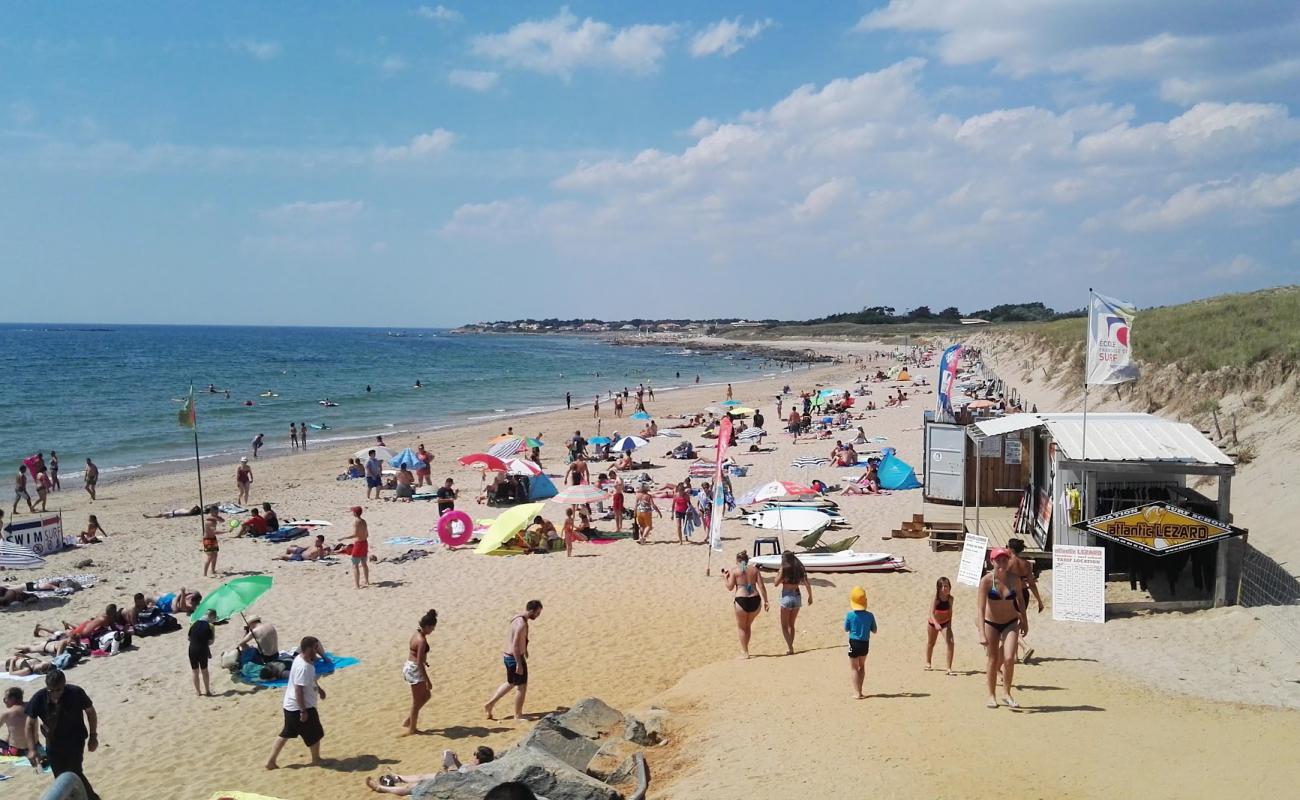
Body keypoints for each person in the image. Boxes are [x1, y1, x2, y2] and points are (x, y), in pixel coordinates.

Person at [25, 669, 100, 799]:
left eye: (58, 689)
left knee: (74, 772)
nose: (55, 693)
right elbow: (29, 724)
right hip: (53, 744)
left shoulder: (75, 693)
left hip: (75, 740)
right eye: (51, 690)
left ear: (64, 685)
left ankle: (92, 798)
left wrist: (93, 736)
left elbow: (90, 712)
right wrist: (32, 749)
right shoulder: (39, 697)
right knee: (60, 778)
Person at [266, 636, 327, 769]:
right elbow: (298, 690)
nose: (318, 650)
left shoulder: (301, 658)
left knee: (286, 733)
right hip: (299, 707)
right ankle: (316, 759)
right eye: (316, 647)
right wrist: (303, 711)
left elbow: (310, 680)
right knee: (315, 733)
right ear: (309, 648)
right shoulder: (303, 667)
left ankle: (271, 761)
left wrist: (319, 689)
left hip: (290, 706)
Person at [978, 548, 1026, 709]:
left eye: (1004, 560)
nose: (1002, 563)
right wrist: (981, 633)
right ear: (992, 561)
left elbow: (1020, 600)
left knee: (1009, 658)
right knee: (992, 659)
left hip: (1010, 622)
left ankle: (1007, 694)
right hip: (991, 623)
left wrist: (1025, 620)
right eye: (998, 560)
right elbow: (980, 608)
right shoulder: (986, 581)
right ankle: (991, 695)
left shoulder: (1014, 579)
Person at [484, 600, 543, 722]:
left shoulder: (517, 617)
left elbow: (519, 639)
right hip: (514, 658)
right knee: (522, 687)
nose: (538, 616)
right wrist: (519, 664)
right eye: (537, 613)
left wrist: (525, 649)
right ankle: (518, 715)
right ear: (531, 611)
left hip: (507, 656)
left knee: (511, 682)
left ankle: (490, 704)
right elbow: (515, 645)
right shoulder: (521, 624)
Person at [366, 745, 495, 795]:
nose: (472, 755)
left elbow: (455, 780)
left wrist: (445, 767)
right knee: (421, 776)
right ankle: (396, 777)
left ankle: (381, 788)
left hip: (447, 782)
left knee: (411, 788)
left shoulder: (474, 770)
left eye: (474, 753)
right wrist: (455, 760)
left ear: (477, 758)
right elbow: (462, 769)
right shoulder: (476, 766)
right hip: (448, 777)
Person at [723, 550, 767, 658]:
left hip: (741, 599)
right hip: (755, 599)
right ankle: (746, 649)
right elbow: (761, 586)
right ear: (747, 560)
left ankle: (745, 652)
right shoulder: (754, 570)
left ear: (738, 561)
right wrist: (766, 600)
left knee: (742, 627)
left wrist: (725, 578)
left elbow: (730, 587)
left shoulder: (735, 571)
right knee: (748, 626)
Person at [1007, 538, 1044, 662]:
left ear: (1011, 549)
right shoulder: (1027, 564)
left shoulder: (1008, 563)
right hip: (1024, 594)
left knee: (1008, 625)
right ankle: (1015, 656)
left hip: (1011, 594)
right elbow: (1032, 584)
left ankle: (1025, 647)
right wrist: (1039, 600)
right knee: (1016, 624)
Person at [402, 609, 438, 736]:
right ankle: (412, 728)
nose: (433, 631)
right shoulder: (421, 640)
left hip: (411, 666)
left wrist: (424, 660)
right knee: (417, 701)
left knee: (426, 696)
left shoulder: (416, 633)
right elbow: (418, 663)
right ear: (427, 626)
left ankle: (409, 720)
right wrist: (428, 680)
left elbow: (415, 653)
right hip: (414, 670)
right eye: (432, 628)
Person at [773, 551, 813, 655]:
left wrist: (779, 573)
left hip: (786, 596)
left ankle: (790, 647)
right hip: (797, 596)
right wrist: (810, 596)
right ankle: (790, 647)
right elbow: (807, 584)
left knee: (784, 625)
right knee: (792, 624)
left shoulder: (784, 569)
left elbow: (776, 583)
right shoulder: (798, 568)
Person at [845, 586, 878, 700]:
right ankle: (861, 690)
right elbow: (874, 630)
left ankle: (857, 692)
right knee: (862, 666)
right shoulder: (870, 615)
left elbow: (846, 629)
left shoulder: (850, 615)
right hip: (865, 643)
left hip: (853, 642)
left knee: (854, 668)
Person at [926, 577, 955, 675]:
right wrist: (936, 623)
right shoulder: (936, 598)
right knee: (931, 643)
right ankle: (928, 662)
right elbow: (931, 613)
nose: (944, 588)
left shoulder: (950, 599)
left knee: (950, 643)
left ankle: (949, 668)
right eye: (941, 586)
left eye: (946, 586)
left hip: (945, 623)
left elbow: (950, 612)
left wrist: (950, 625)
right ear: (938, 588)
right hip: (933, 623)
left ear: (949, 587)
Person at [337, 506, 371, 588]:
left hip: (359, 544)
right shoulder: (364, 521)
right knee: (364, 564)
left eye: (353, 511)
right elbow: (367, 534)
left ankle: (357, 585)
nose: (352, 512)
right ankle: (367, 581)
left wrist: (343, 538)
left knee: (355, 565)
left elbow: (355, 534)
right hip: (365, 543)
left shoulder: (356, 522)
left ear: (355, 513)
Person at [188, 609, 217, 697]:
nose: (214, 620)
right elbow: (211, 642)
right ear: (211, 617)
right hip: (202, 649)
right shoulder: (210, 626)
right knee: (204, 670)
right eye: (214, 618)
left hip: (192, 649)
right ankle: (207, 691)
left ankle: (198, 691)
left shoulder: (193, 623)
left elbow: (188, 638)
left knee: (194, 671)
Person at [1, 687, 31, 756]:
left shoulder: (7, 713)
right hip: (34, 746)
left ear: (12, 699)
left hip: (17, 751)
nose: (4, 701)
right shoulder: (31, 706)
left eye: (5, 699)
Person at [202, 507, 222, 577]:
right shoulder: (209, 521)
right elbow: (215, 531)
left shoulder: (214, 518)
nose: (217, 513)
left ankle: (213, 570)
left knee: (215, 555)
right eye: (215, 512)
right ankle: (205, 574)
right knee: (210, 556)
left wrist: (218, 518)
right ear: (211, 512)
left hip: (213, 538)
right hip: (207, 539)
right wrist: (225, 531)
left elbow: (223, 520)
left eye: (217, 512)